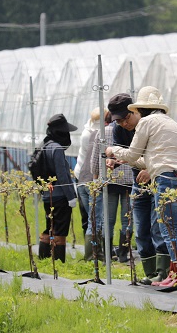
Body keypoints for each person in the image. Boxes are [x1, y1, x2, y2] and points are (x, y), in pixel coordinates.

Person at [106, 86, 177, 288]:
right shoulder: (170, 122)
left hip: (167, 178)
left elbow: (132, 155)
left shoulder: (146, 122)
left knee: (169, 231)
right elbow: (151, 158)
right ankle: (175, 275)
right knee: (174, 230)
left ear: (140, 109)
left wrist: (113, 150)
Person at [108, 93, 169, 284]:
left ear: (135, 111)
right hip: (138, 183)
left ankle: (163, 272)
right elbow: (128, 155)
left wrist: (151, 170)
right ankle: (149, 273)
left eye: (126, 118)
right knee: (141, 229)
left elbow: (166, 154)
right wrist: (115, 162)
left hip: (157, 180)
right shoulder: (119, 131)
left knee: (157, 226)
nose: (124, 123)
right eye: (118, 121)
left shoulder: (150, 126)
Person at [90, 111, 134, 263]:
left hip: (109, 179)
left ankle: (107, 254)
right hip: (129, 179)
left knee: (107, 219)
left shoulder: (103, 132)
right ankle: (123, 254)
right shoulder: (132, 128)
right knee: (126, 219)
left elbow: (95, 157)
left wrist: (95, 175)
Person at [37, 114, 78, 263]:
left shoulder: (44, 145)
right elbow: (62, 174)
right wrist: (71, 196)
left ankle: (43, 260)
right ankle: (59, 263)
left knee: (49, 227)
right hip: (61, 196)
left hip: (48, 195)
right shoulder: (57, 149)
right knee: (60, 231)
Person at [74, 107, 100, 251]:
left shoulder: (86, 131)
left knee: (87, 217)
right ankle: (95, 252)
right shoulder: (97, 133)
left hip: (81, 177)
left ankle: (90, 251)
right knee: (95, 217)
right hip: (91, 179)